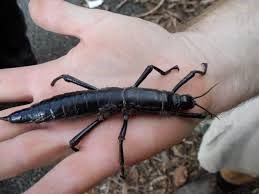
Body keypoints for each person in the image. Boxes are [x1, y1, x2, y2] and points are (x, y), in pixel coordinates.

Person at [0, 0, 258, 194]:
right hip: (68, 106)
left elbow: (179, 95)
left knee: (79, 135)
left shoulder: (156, 98)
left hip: (91, 101)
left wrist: (201, 58)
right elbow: (124, 135)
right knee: (82, 136)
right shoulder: (158, 104)